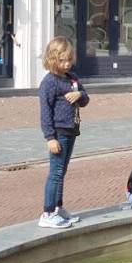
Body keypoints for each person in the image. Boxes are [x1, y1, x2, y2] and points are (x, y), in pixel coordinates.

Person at [38, 37, 90, 230]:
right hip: (58, 133)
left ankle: (58, 208)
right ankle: (47, 213)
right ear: (52, 59)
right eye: (62, 60)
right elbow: (45, 112)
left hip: (71, 131)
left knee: (62, 171)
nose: (67, 64)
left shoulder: (72, 78)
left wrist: (80, 94)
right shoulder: (49, 82)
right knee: (56, 172)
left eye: (69, 60)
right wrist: (50, 138)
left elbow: (85, 100)